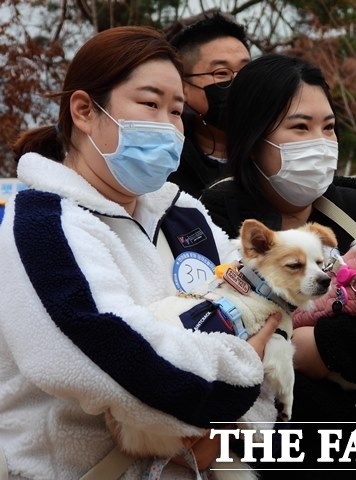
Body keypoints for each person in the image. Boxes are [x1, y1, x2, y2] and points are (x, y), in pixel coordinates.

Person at [0, 26, 279, 479]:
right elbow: (115, 355)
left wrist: (230, 431)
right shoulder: (43, 224)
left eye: (177, 111)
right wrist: (245, 368)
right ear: (85, 110)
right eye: (150, 104)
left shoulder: (182, 211)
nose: (169, 125)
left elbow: (269, 294)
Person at [199, 53, 356, 479]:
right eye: (300, 127)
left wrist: (324, 347)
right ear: (253, 134)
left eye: (329, 127)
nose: (320, 142)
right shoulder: (207, 220)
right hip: (281, 454)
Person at [166, 13, 251, 197]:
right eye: (221, 73)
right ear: (183, 87)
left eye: (247, 70)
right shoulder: (166, 166)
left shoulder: (277, 154)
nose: (240, 83)